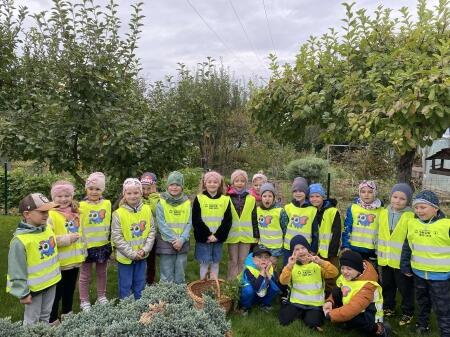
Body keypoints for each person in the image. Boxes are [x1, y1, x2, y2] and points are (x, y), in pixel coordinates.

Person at [6, 193, 61, 325]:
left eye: (47, 211)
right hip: (34, 289)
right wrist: (23, 293)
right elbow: (16, 270)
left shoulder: (46, 229)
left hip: (51, 282)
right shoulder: (20, 241)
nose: (46, 214)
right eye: (42, 212)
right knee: (32, 320)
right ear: (27, 214)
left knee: (45, 316)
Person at [401, 190, 450, 336]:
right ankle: (423, 325)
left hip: (440, 277)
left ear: (435, 208)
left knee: (442, 307)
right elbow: (407, 247)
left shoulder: (446, 225)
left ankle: (446, 331)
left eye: (423, 207)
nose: (419, 211)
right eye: (416, 207)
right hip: (419, 273)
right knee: (422, 302)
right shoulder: (412, 224)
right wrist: (405, 265)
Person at [323, 250, 391, 337]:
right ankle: (346, 321)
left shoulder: (368, 285)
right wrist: (330, 302)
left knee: (353, 317)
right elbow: (337, 289)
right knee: (337, 291)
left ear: (358, 269)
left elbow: (353, 309)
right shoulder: (349, 276)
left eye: (349, 269)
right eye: (343, 268)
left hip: (370, 314)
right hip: (354, 308)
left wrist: (331, 315)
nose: (344, 272)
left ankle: (380, 329)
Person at [279, 235, 338, 331]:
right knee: (284, 321)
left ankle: (306, 315)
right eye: (297, 249)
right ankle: (299, 312)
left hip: (314, 304)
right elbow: (283, 281)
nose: (301, 251)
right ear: (293, 253)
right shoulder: (291, 266)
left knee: (313, 323)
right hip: (296, 302)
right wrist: (289, 266)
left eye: (303, 248)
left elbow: (334, 273)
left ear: (308, 249)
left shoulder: (317, 265)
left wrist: (321, 262)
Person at [48, 180, 86, 324]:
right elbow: (48, 240)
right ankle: (52, 319)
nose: (64, 199)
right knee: (57, 292)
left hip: (74, 260)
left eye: (67, 196)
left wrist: (83, 251)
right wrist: (67, 239)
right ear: (53, 197)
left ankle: (67, 313)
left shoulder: (76, 212)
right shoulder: (50, 215)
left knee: (69, 290)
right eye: (59, 196)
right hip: (59, 262)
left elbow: (82, 234)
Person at [111, 178, 155, 300]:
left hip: (142, 256)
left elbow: (151, 231)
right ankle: (127, 308)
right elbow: (117, 237)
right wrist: (131, 254)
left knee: (140, 283)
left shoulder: (147, 209)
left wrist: (145, 250)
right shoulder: (118, 214)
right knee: (125, 284)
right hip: (126, 258)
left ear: (141, 193)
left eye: (136, 193)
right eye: (129, 193)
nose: (133, 196)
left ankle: (139, 306)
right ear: (124, 194)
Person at [376, 183, 414, 325]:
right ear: (390, 197)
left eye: (402, 199)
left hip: (401, 262)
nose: (397, 201)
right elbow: (378, 234)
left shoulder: (410, 216)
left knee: (405, 288)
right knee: (388, 285)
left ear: (408, 201)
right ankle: (388, 307)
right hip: (385, 259)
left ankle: (407, 312)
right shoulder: (383, 213)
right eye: (395, 197)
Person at [78, 172, 112, 311]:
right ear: (86, 189)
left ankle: (101, 296)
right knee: (85, 275)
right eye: (91, 188)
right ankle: (84, 300)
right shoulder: (80, 206)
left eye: (97, 189)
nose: (94, 192)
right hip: (86, 246)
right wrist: (81, 245)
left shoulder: (107, 204)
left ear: (102, 190)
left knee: (102, 273)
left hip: (102, 245)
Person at [192, 171, 232, 279]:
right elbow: (196, 219)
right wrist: (208, 235)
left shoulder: (225, 200)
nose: (212, 184)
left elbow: (227, 221)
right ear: (205, 183)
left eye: (215, 182)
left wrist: (217, 236)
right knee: (204, 263)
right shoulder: (199, 198)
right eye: (209, 182)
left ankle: (213, 286)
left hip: (218, 238)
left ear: (219, 184)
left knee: (215, 263)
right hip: (204, 238)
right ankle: (203, 286)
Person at [155, 171, 191, 284]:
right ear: (167, 186)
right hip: (166, 242)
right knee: (166, 272)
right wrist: (174, 240)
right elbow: (161, 224)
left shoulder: (187, 203)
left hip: (182, 242)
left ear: (182, 187)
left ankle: (179, 296)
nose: (174, 187)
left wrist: (181, 239)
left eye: (178, 184)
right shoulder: (161, 202)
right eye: (171, 184)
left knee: (180, 272)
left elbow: (189, 223)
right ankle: (166, 299)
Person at [309, 183, 342, 296]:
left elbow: (337, 233)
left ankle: (331, 298)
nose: (315, 199)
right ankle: (318, 296)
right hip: (315, 250)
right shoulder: (310, 210)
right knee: (317, 273)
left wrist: (333, 251)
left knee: (331, 276)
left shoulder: (332, 211)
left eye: (317, 196)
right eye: (312, 196)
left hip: (330, 251)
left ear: (323, 197)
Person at [226, 169, 259, 280]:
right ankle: (230, 284)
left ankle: (241, 283)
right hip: (232, 234)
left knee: (243, 260)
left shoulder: (251, 199)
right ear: (232, 182)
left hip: (247, 235)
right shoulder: (227, 198)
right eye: (237, 181)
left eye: (242, 181)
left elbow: (254, 218)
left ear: (246, 183)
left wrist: (256, 235)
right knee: (233, 260)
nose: (239, 183)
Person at [342, 180, 383, 263]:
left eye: (370, 192)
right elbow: (347, 228)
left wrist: (380, 249)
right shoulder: (353, 208)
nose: (366, 194)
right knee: (355, 272)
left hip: (372, 250)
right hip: (354, 248)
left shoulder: (381, 211)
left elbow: (383, 231)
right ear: (359, 193)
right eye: (363, 192)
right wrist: (346, 245)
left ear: (375, 193)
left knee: (370, 274)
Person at [283, 177, 316, 266]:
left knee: (302, 269)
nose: (298, 193)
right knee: (287, 268)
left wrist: (313, 248)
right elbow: (283, 227)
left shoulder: (312, 210)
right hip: (288, 247)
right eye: (295, 191)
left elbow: (315, 232)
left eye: (301, 191)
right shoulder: (287, 207)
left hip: (304, 248)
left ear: (306, 192)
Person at [239, 245, 280, 315]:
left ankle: (264, 304)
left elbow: (277, 287)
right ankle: (245, 307)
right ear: (253, 259)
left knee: (274, 286)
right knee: (248, 290)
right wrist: (262, 271)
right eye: (259, 257)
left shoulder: (269, 268)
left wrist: (267, 271)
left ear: (269, 260)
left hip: (261, 293)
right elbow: (256, 287)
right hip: (250, 295)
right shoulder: (248, 269)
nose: (263, 259)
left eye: (266, 257)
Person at [257, 182, 288, 269]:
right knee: (263, 266)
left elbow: (285, 228)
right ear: (261, 197)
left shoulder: (280, 211)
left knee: (272, 266)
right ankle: (263, 282)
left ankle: (272, 281)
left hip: (276, 247)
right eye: (264, 196)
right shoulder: (258, 210)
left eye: (270, 196)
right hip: (263, 245)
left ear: (274, 198)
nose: (267, 199)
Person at [140, 172, 160, 285]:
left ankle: (150, 281)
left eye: (149, 189)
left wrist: (152, 197)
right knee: (141, 259)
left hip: (152, 235)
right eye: (143, 189)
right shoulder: (138, 198)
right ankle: (141, 281)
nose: (146, 192)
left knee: (151, 260)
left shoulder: (157, 198)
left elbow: (155, 211)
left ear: (154, 188)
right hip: (139, 234)